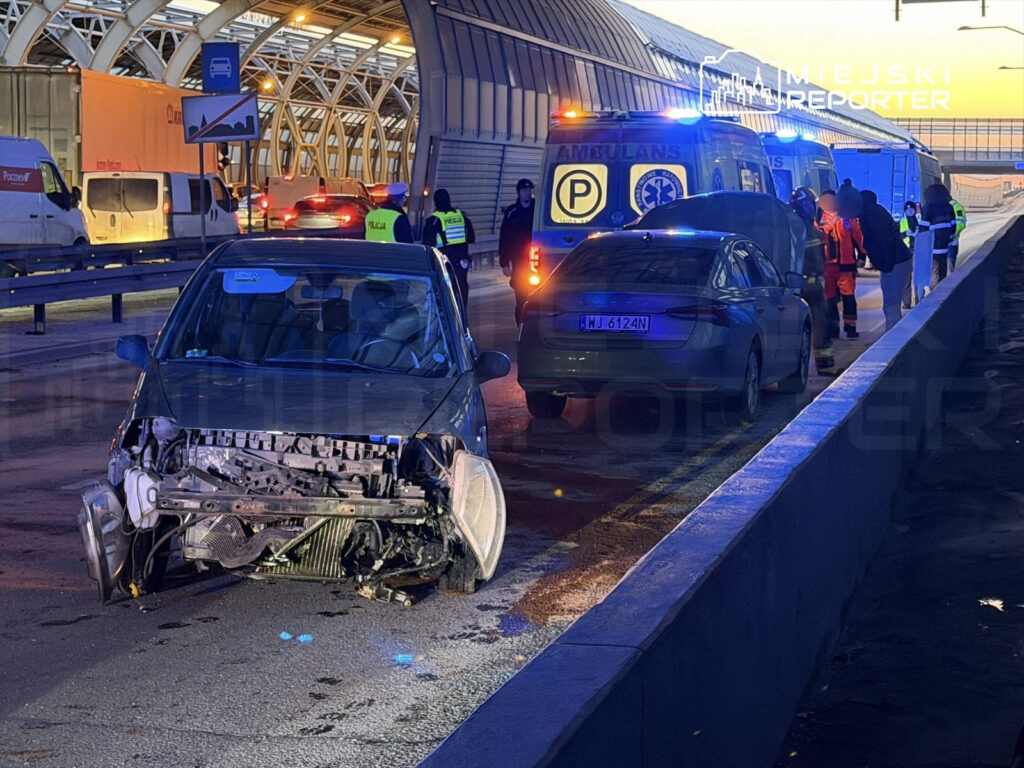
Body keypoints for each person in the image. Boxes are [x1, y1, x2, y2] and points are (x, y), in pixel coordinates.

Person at [789, 187, 837, 374]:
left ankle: (799, 368)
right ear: (806, 205)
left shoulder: (795, 225)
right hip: (811, 286)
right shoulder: (805, 228)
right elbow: (815, 261)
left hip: (800, 285)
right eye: (812, 204)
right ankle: (825, 366)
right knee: (820, 325)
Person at [859, 189, 912, 332]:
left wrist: (886, 265)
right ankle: (893, 335)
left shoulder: (870, 214)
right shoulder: (873, 211)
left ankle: (893, 339)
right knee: (891, 302)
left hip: (895, 262)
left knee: (891, 303)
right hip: (897, 261)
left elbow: (884, 240)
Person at [817, 188, 866, 340]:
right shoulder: (817, 219)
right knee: (829, 298)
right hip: (826, 266)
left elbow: (858, 237)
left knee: (848, 296)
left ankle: (850, 325)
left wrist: (862, 254)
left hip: (846, 264)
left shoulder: (847, 218)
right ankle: (833, 328)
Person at [422, 188, 475, 306]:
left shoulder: (434, 220)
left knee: (444, 294)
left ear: (435, 202)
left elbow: (427, 244)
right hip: (461, 262)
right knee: (461, 292)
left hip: (443, 263)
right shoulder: (462, 216)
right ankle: (461, 319)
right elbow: (471, 237)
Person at [498, 178, 536, 324]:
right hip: (519, 261)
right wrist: (504, 263)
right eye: (524, 191)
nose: (527, 193)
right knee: (521, 296)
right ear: (519, 193)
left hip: (538, 259)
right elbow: (504, 238)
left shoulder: (538, 210)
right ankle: (521, 326)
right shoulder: (511, 213)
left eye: (529, 190)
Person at [920, 182, 956, 287]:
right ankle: (941, 285)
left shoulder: (929, 206)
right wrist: (949, 236)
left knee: (933, 268)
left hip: (932, 243)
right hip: (945, 243)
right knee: (942, 266)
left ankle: (934, 289)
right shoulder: (949, 207)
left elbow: (924, 226)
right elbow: (953, 225)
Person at [899, 201, 919, 309]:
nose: (910, 212)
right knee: (906, 279)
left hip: (917, 251)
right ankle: (906, 303)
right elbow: (896, 236)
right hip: (906, 253)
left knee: (917, 277)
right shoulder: (901, 222)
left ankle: (918, 300)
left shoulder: (919, 222)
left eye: (912, 210)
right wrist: (905, 234)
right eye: (908, 210)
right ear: (905, 211)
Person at [948, 196, 966, 272]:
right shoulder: (934, 206)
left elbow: (961, 222)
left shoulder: (956, 206)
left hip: (951, 243)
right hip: (937, 245)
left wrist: (951, 234)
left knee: (949, 269)